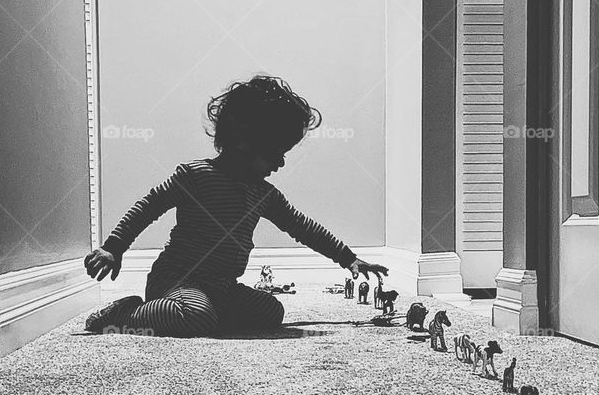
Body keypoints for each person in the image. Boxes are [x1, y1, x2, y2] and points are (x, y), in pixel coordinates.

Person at [83, 75, 388, 337]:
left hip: (222, 287)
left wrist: (348, 258)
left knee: (271, 311)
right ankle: (126, 313)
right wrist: (114, 248)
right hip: (177, 281)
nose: (281, 163)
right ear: (244, 142)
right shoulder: (196, 176)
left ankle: (209, 314)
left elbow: (303, 227)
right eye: (276, 153)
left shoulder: (264, 194)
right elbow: (148, 207)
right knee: (196, 316)